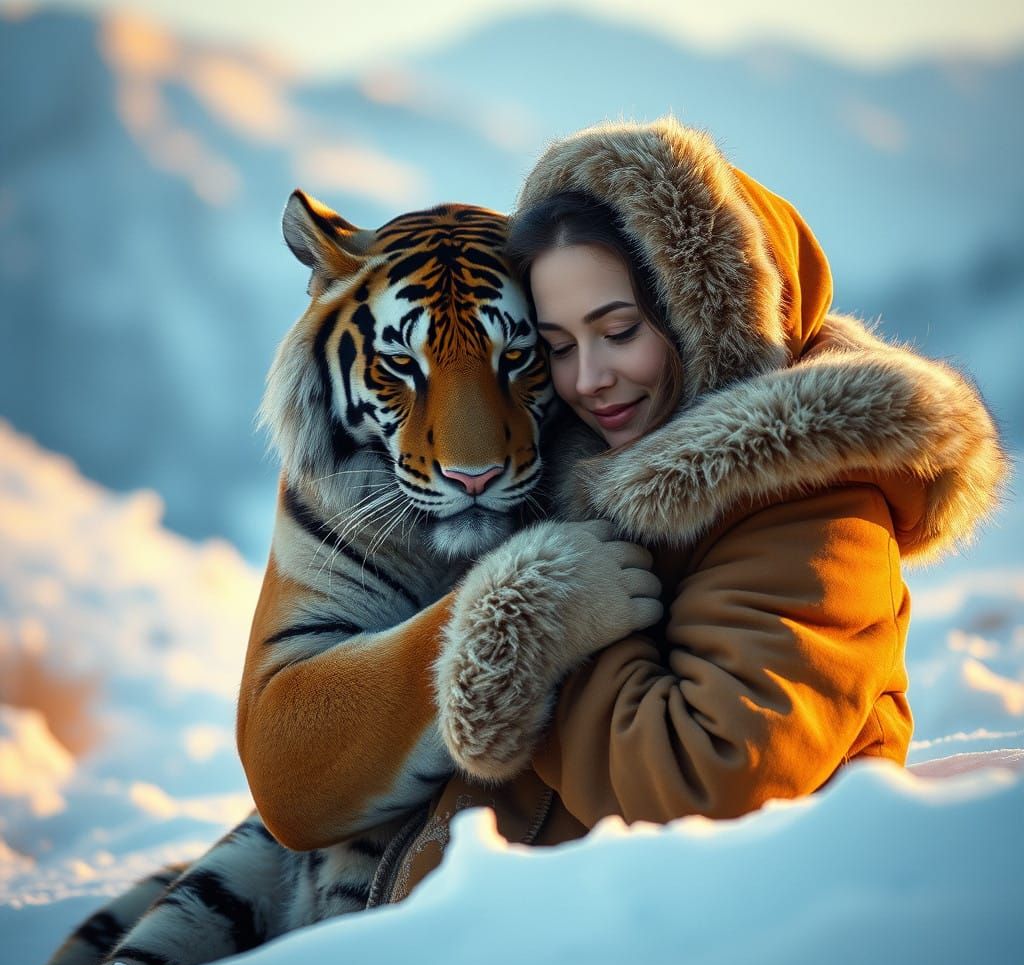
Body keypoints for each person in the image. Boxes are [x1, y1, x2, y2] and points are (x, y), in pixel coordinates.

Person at [377, 116, 1007, 903]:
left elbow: (706, 779)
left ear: (706, 317)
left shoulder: (814, 497)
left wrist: (548, 630)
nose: (589, 379)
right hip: (544, 917)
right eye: (559, 346)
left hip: (685, 934)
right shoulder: (595, 472)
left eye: (618, 331)